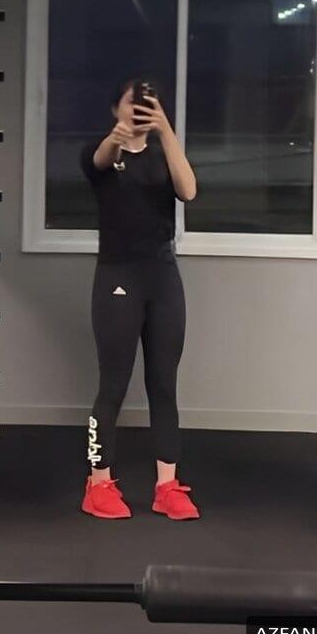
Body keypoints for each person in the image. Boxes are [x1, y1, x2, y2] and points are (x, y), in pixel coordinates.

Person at [79, 77, 200, 520]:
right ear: (117, 108)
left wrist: (166, 131)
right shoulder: (103, 154)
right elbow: (99, 160)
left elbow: (188, 190)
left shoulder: (162, 154)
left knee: (164, 384)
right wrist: (118, 136)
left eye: (150, 104)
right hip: (118, 276)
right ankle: (97, 484)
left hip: (162, 278)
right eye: (134, 103)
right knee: (112, 384)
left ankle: (167, 487)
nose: (142, 110)